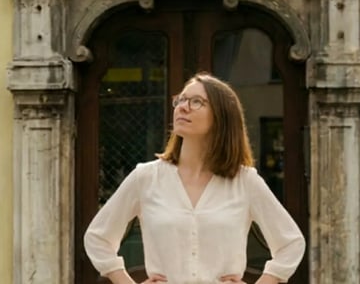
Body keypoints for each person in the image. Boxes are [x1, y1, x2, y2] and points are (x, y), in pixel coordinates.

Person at [84, 72, 305, 284]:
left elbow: (291, 243)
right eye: (181, 100)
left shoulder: (245, 182)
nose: (183, 107)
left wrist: (267, 280)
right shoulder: (146, 177)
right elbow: (97, 237)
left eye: (196, 101)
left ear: (222, 116)